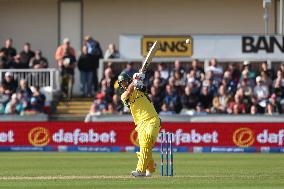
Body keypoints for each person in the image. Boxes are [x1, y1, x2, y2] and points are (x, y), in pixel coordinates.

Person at [118, 72, 161, 177]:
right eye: (121, 83)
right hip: (140, 124)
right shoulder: (123, 96)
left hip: (152, 119)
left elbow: (143, 88)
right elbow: (128, 92)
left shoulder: (138, 89)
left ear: (127, 80)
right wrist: (134, 81)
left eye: (124, 82)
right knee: (145, 147)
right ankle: (150, 166)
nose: (123, 84)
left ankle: (141, 170)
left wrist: (139, 81)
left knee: (146, 142)